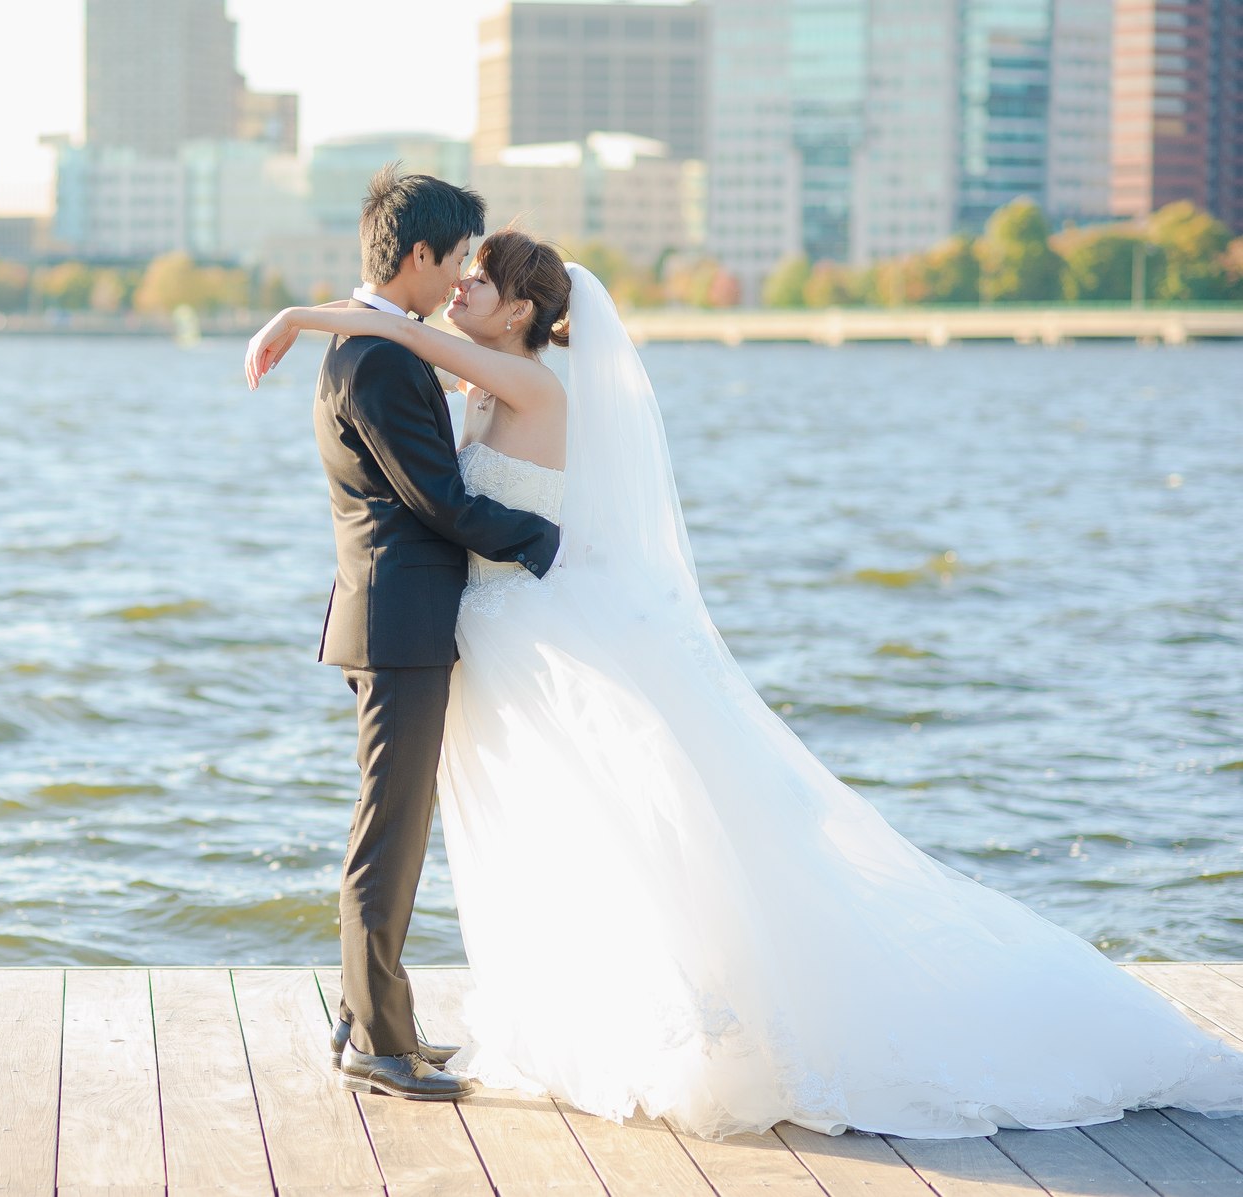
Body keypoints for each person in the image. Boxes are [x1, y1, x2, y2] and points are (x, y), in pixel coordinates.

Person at [246, 226, 1243, 1138]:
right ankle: (547, 1008)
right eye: (456, 281)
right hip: (505, 631)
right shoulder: (491, 381)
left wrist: (301, 314)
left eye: (478, 285)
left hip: (532, 631)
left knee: (619, 824)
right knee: (557, 829)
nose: (458, 296)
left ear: (519, 312)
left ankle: (682, 1018)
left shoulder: (531, 384)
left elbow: (411, 347)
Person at [300, 166, 560, 1102]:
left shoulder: (379, 349)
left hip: (390, 617)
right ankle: (379, 1041)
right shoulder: (382, 362)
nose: (459, 277)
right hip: (400, 624)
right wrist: (540, 537)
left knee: (390, 830)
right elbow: (439, 502)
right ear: (418, 253)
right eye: (454, 257)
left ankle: (363, 1021)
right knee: (391, 837)